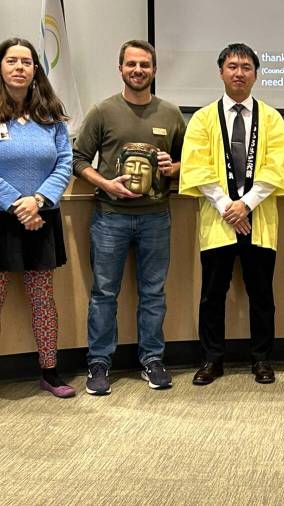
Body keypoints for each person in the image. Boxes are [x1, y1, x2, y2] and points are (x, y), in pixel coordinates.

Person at [0, 37, 74, 407]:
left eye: (27, 62)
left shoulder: (51, 113)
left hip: (41, 218)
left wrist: (38, 200)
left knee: (42, 298)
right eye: (12, 61)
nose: (20, 68)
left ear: (35, 69)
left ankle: (49, 371)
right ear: (0, 67)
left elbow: (64, 163)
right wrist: (16, 203)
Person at [178, 43, 284, 385]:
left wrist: (246, 204)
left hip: (259, 218)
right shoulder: (202, 118)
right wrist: (227, 207)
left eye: (246, 67)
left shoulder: (271, 118)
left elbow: (278, 166)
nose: (239, 72)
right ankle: (212, 359)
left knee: (262, 294)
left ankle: (261, 359)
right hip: (218, 221)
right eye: (232, 66)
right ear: (221, 72)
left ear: (256, 74)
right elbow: (197, 167)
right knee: (212, 294)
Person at [73, 40, 186, 395]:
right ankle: (98, 364)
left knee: (153, 293)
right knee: (104, 293)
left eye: (145, 65)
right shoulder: (103, 111)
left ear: (154, 70)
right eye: (131, 64)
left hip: (157, 218)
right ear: (120, 68)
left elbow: (190, 163)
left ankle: (152, 360)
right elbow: (77, 159)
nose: (138, 70)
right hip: (110, 218)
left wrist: (173, 166)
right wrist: (106, 183)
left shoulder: (170, 113)